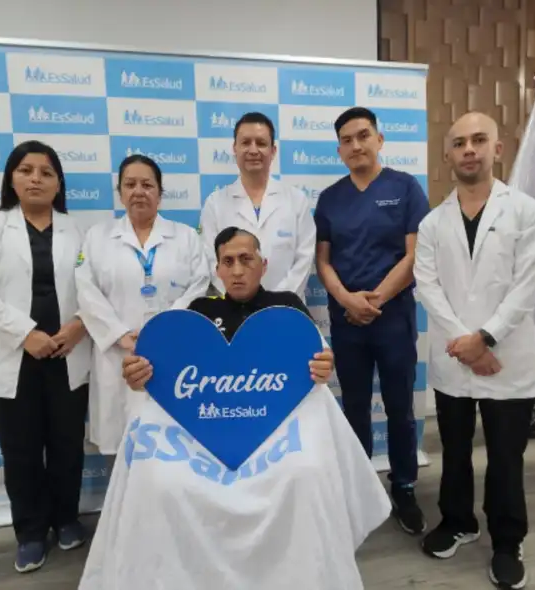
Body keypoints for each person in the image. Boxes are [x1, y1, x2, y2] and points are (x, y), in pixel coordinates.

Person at [77, 227, 391, 590]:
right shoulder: (198, 312)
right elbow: (165, 379)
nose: (238, 270)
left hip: (278, 429)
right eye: (229, 261)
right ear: (218, 270)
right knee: (161, 480)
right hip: (203, 434)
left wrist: (324, 366)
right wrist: (141, 375)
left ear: (263, 264)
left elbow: (316, 361)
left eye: (247, 259)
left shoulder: (288, 306)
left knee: (305, 471)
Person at [412, 111, 535, 590]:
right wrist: (467, 345)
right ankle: (458, 522)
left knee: (506, 457)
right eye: (458, 142)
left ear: (498, 149)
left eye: (479, 140)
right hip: (457, 358)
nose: (468, 149)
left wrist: (486, 337)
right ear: (447, 155)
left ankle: (508, 541)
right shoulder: (433, 222)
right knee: (453, 449)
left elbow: (528, 285)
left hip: (507, 357)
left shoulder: (526, 212)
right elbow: (426, 287)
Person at [0, 140, 92, 573]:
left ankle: (66, 518)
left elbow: (94, 289)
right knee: (21, 453)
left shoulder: (78, 230)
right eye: (26, 170)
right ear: (11, 178)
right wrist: (26, 334)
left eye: (46, 172)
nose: (36, 178)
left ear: (59, 183)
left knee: (67, 447)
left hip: (67, 357)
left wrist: (79, 324)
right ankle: (32, 533)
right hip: (13, 362)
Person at [313, 106, 429, 535]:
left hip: (392, 316)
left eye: (363, 135)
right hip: (348, 320)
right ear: (339, 149)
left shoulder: (405, 188)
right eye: (347, 139)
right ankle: (360, 489)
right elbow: (322, 261)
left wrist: (375, 298)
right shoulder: (330, 199)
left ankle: (404, 487)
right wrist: (346, 298)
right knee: (355, 407)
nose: (356, 145)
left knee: (400, 407)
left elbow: (415, 255)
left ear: (379, 140)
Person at [74, 154, 211, 460]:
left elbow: (200, 285)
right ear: (120, 192)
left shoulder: (186, 237)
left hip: (172, 353)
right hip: (118, 355)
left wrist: (163, 332)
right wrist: (119, 333)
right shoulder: (98, 237)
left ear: (160, 193)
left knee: (174, 444)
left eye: (147, 184)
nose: (139, 191)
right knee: (122, 447)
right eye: (130, 184)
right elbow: (85, 289)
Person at [199, 112, 315, 297]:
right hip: (236, 312)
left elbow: (304, 260)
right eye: (246, 143)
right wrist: (241, 299)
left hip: (286, 309)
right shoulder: (215, 203)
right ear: (235, 148)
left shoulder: (296, 200)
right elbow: (211, 261)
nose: (253, 150)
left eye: (261, 143)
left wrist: (276, 303)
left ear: (273, 151)